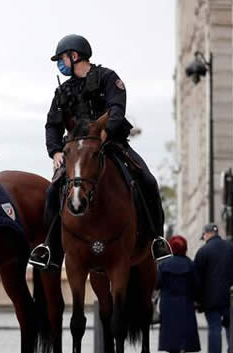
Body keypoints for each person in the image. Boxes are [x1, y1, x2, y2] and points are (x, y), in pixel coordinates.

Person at [29, 34, 171, 270]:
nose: (60, 64)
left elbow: (117, 109)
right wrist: (55, 152)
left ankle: (157, 239)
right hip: (76, 152)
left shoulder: (108, 78)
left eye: (62, 58)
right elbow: (52, 125)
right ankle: (50, 249)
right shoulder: (63, 90)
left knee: (147, 180)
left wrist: (105, 134)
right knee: (53, 190)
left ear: (74, 56)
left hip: (112, 144)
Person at [194, 223, 233, 353]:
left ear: (206, 234)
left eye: (203, 236)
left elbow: (197, 279)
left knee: (214, 327)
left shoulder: (203, 252)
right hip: (232, 297)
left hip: (210, 299)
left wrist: (198, 300)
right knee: (231, 327)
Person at [157, 235, 201, 353]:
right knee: (184, 329)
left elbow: (157, 284)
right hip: (185, 301)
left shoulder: (163, 264)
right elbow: (197, 285)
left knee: (169, 331)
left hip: (168, 302)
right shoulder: (190, 264)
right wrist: (198, 300)